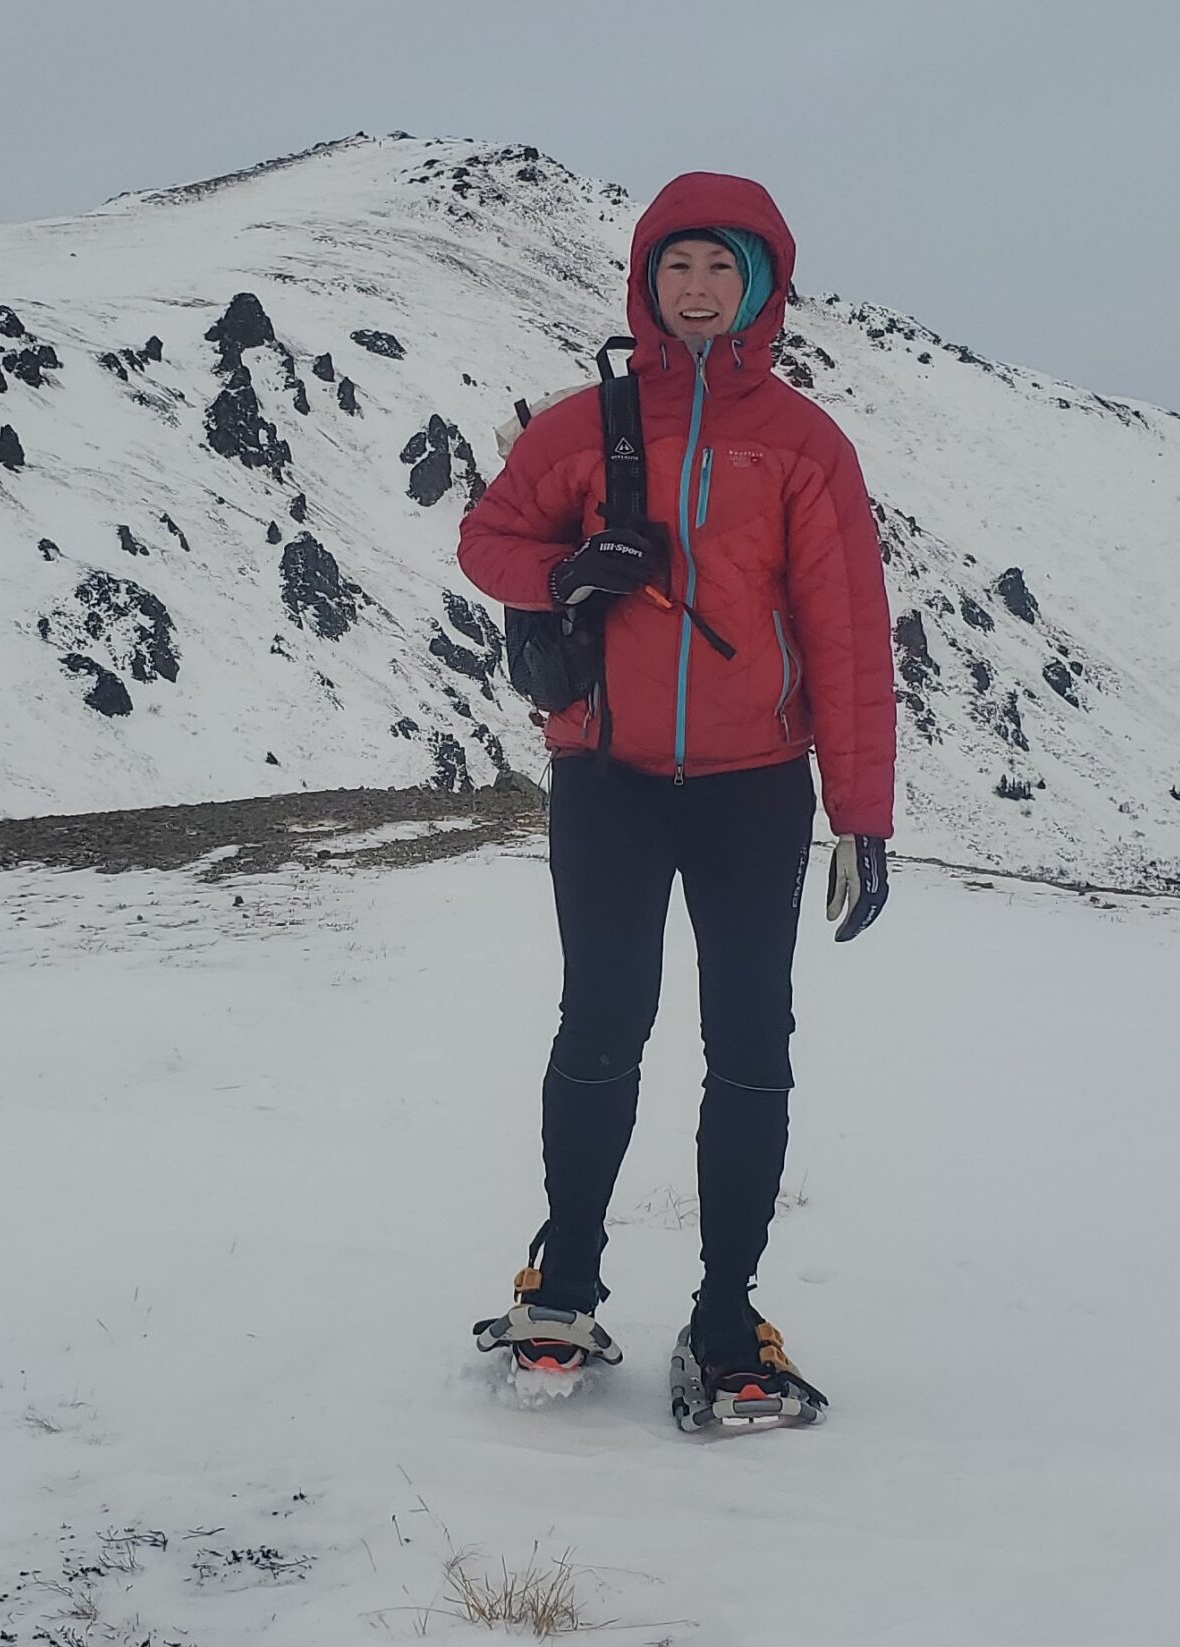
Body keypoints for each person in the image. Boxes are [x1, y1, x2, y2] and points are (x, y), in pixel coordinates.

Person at [457, 171, 897, 1425]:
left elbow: (850, 636)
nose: (697, 291)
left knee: (751, 1045)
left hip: (757, 786)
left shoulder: (806, 443)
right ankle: (567, 1280)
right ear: (644, 283)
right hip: (606, 776)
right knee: (601, 1022)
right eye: (676, 269)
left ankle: (722, 1317)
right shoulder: (585, 422)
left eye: (723, 271)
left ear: (761, 290)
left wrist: (862, 815)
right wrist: (567, 565)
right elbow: (485, 540)